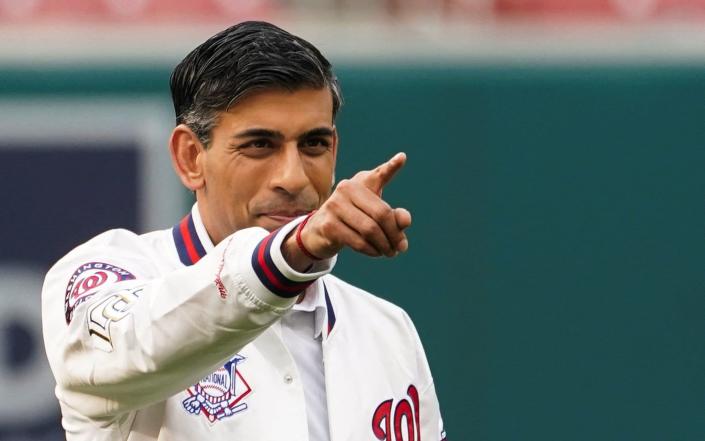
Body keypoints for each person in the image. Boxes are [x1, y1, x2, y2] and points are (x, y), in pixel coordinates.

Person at [42, 21, 446, 441]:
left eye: (313, 145)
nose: (293, 177)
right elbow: (129, 345)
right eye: (259, 145)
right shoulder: (108, 271)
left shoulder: (387, 330)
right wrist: (293, 250)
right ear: (190, 157)